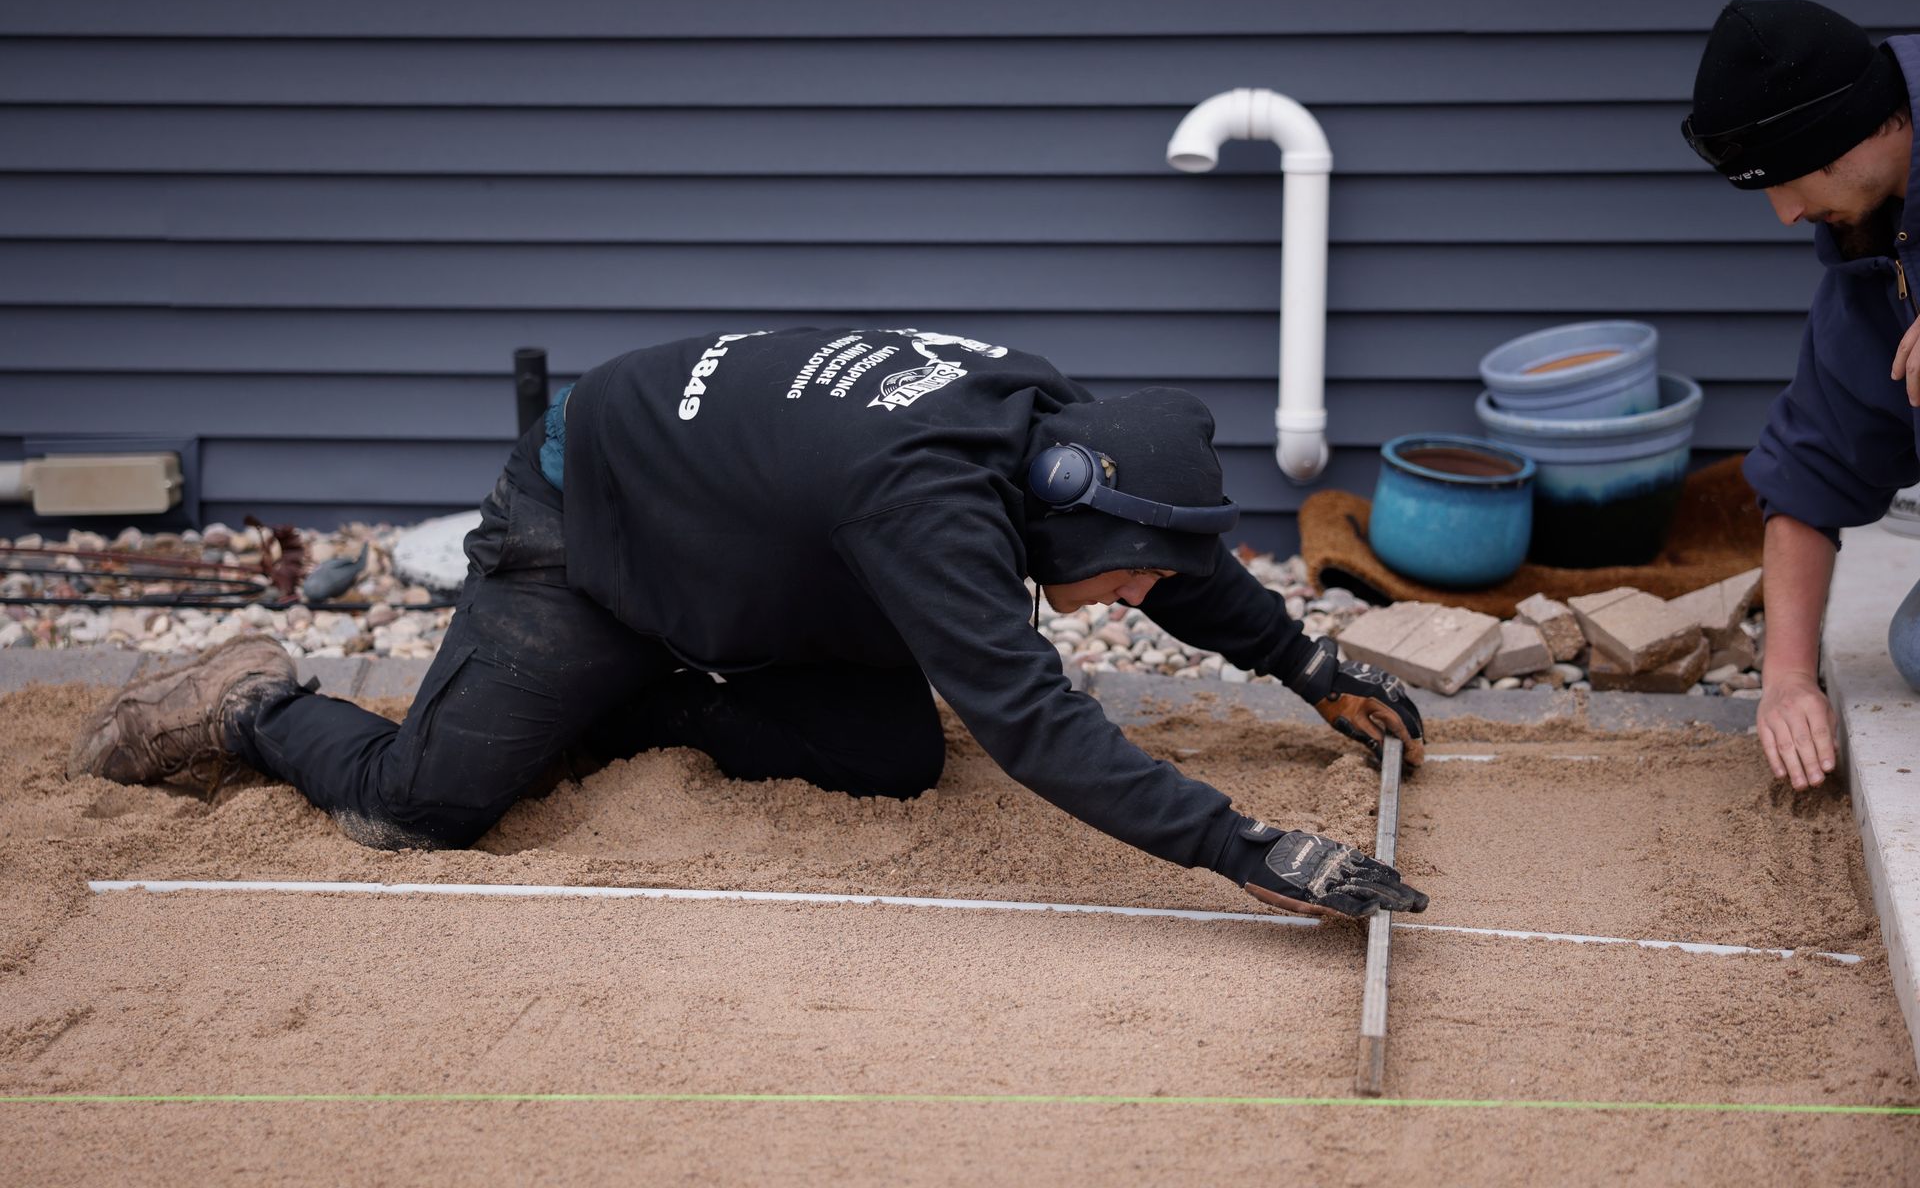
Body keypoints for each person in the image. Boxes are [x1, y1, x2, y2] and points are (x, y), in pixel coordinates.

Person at [68, 327, 1428, 920]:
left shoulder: (1048, 429)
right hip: (585, 525)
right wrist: (1243, 848)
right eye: (1128, 577)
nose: (1143, 596)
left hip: (737, 533)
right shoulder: (929, 502)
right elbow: (1032, 721)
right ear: (1067, 509)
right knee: (421, 807)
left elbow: (1170, 552)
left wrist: (1301, 662)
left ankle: (642, 692)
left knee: (892, 755)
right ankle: (254, 704)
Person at [1682, 0, 1919, 791]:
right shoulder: (1871, 263)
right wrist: (1787, 676)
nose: (1786, 214)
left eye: (1793, 177)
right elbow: (1812, 470)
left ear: (1868, 129)